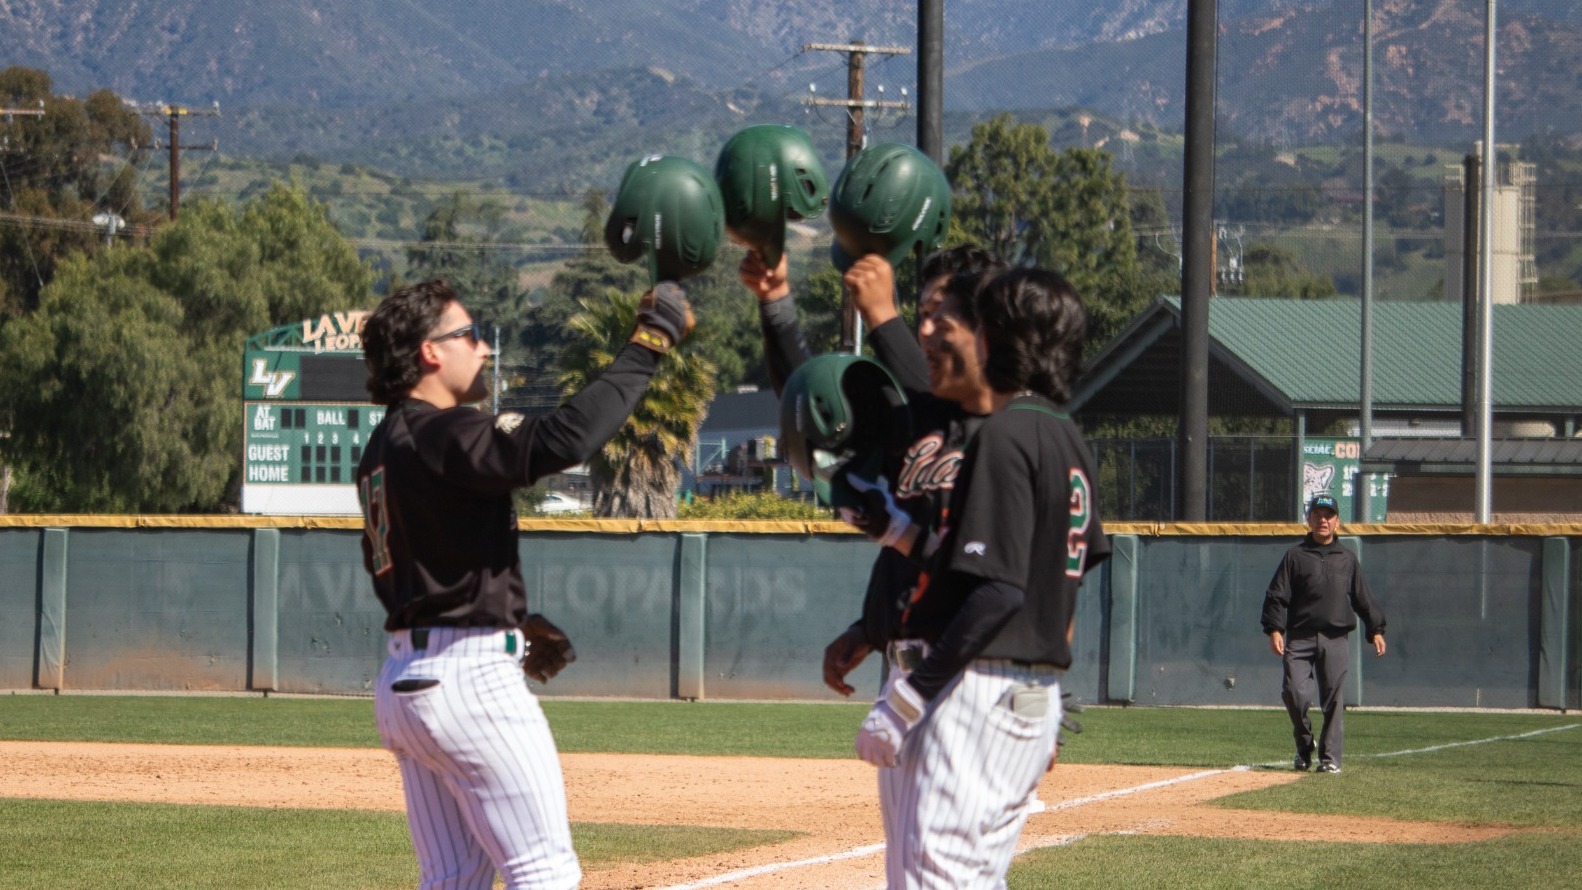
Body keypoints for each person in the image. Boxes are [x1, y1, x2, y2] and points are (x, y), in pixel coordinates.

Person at [355, 277, 693, 889]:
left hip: (405, 682)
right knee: (544, 873)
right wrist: (649, 342)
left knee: (454, 878)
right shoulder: (443, 432)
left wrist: (510, 617)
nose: (483, 347)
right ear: (430, 351)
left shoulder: (382, 447)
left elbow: (424, 561)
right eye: (469, 335)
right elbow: (566, 438)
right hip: (469, 680)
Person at [851, 266, 1111, 887]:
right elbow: (1051, 582)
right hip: (1027, 693)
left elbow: (997, 590)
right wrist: (900, 532)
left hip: (975, 691)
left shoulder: (1004, 433)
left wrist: (909, 698)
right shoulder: (1068, 437)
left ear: (997, 339)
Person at [1260, 492, 1387, 774]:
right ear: (1309, 519)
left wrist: (1376, 629)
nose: (1323, 520)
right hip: (1300, 636)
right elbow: (1277, 596)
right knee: (1294, 693)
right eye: (1317, 515)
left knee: (1333, 700)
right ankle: (1304, 744)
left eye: (1328, 516)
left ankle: (1329, 759)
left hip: (1335, 637)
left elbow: (1363, 598)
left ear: (1337, 521)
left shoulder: (1347, 559)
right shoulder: (1295, 556)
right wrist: (1274, 629)